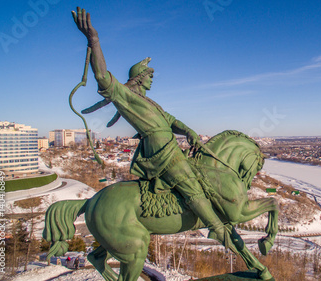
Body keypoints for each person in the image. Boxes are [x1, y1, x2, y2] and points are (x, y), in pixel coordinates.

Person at [72, 7, 234, 248]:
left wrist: (188, 131)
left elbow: (170, 120)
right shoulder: (126, 96)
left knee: (202, 176)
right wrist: (94, 41)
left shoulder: (150, 102)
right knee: (191, 186)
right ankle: (218, 230)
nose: (151, 78)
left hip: (170, 147)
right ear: (140, 76)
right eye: (149, 75)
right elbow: (103, 77)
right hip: (162, 152)